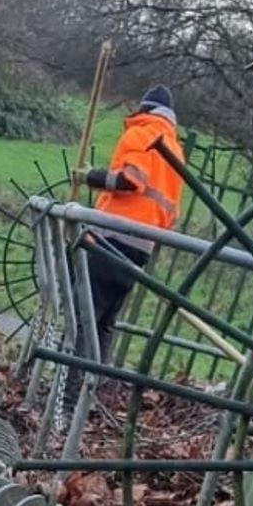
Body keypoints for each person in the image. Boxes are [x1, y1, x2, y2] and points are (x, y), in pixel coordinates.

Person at [75, 84, 187, 360]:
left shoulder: (140, 133)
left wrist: (90, 177)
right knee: (105, 322)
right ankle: (94, 387)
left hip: (113, 237)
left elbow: (130, 180)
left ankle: (69, 390)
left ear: (144, 108)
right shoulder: (176, 150)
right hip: (143, 245)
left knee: (85, 315)